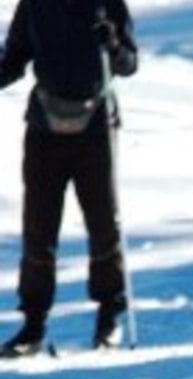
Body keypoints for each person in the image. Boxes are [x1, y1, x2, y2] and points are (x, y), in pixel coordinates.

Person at [0, 0, 138, 357]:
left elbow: (129, 64)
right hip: (44, 128)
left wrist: (113, 44)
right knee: (39, 227)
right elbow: (14, 58)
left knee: (103, 223)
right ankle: (33, 325)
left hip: (95, 128)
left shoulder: (107, 3)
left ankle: (109, 317)